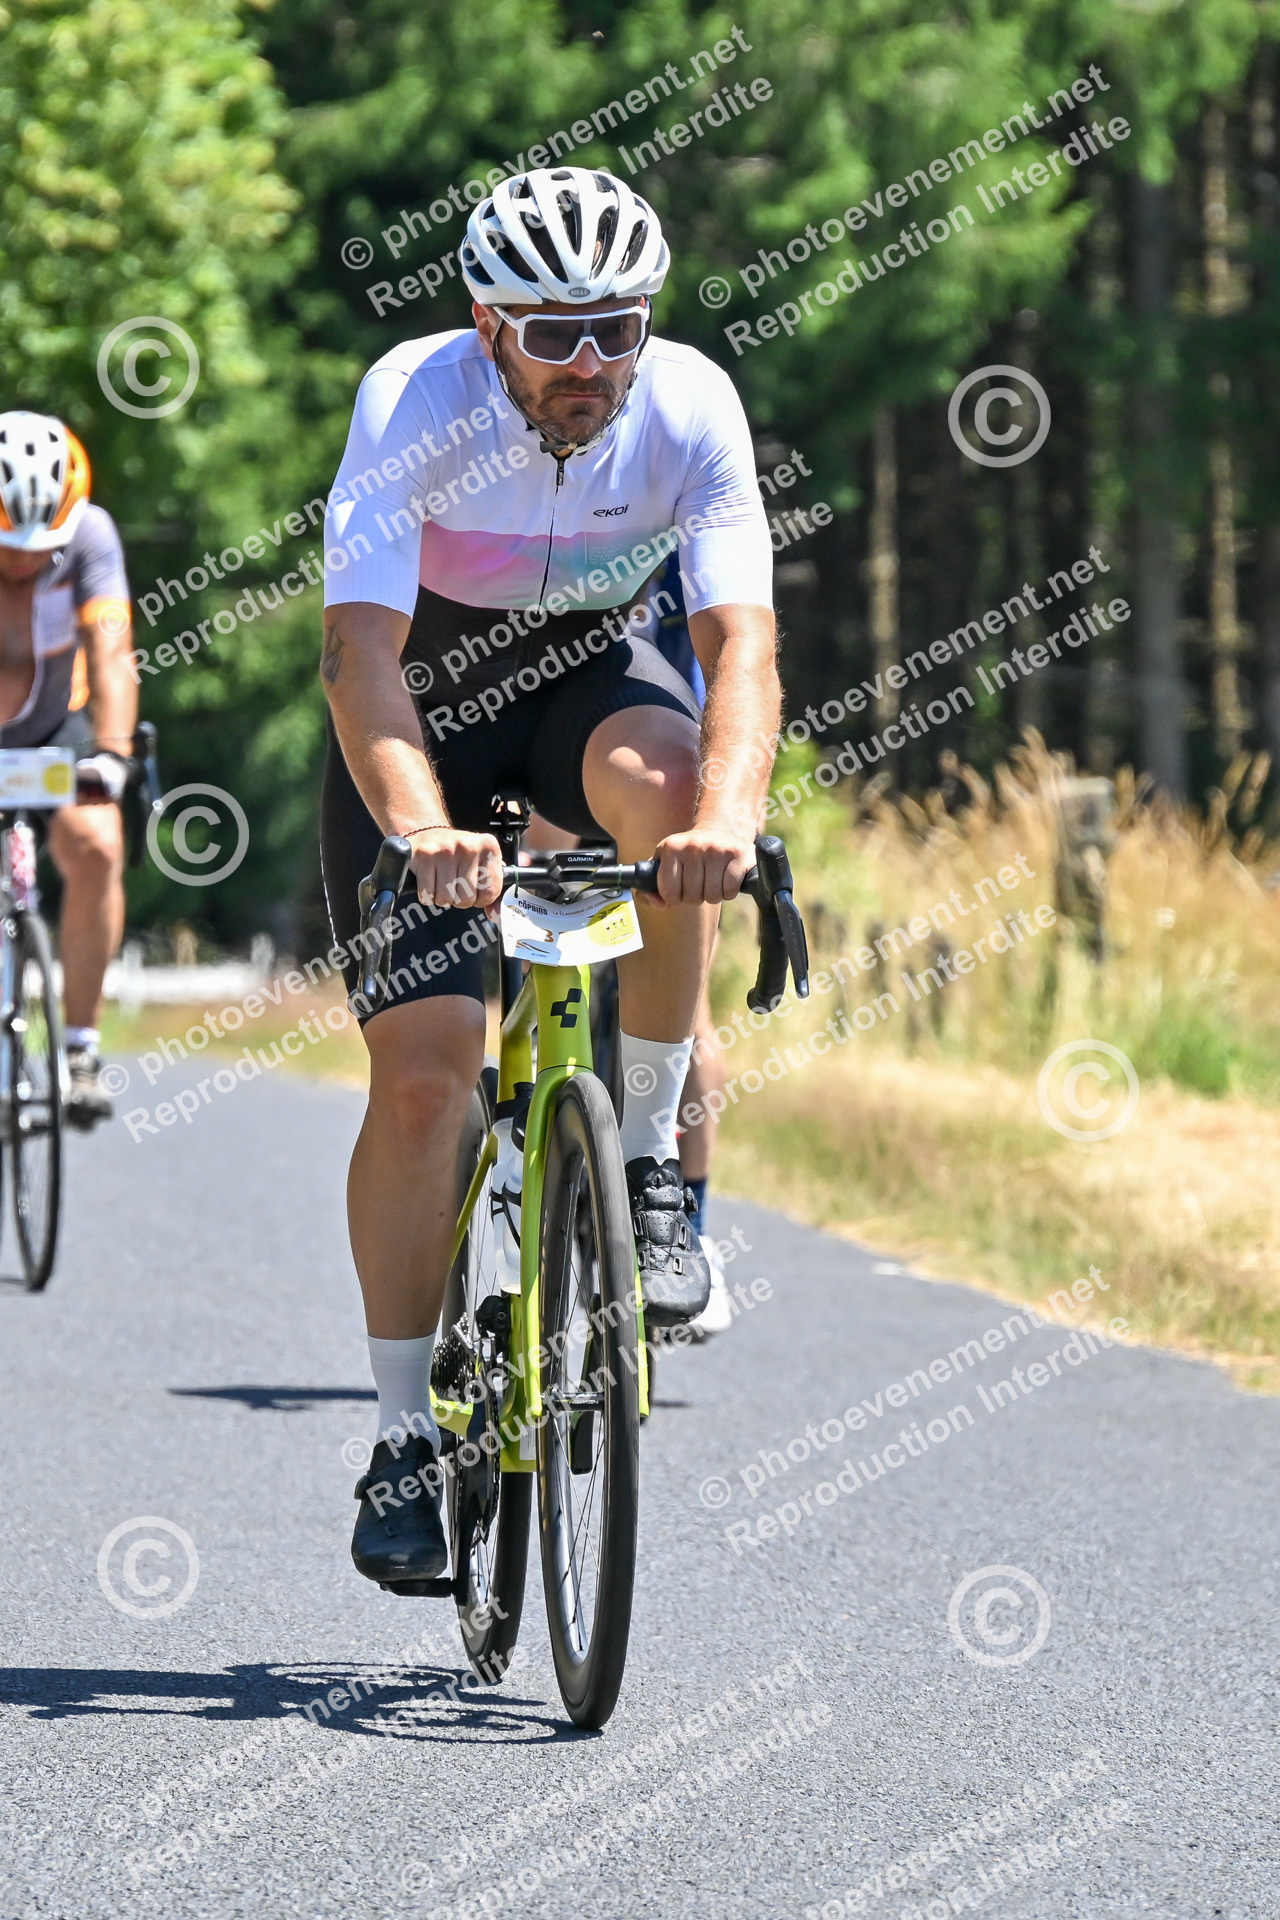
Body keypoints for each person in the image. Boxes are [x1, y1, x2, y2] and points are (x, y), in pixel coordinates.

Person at [320, 166, 778, 1584]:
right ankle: (402, 1436)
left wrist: (729, 821)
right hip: (427, 699)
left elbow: (740, 647)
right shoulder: (413, 399)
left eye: (615, 329)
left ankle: (645, 1165)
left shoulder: (691, 402)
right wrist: (420, 829)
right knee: (426, 1077)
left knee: (675, 804)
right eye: (554, 334)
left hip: (592, 678)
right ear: (487, 327)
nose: (589, 364)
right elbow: (359, 653)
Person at [0, 412, 138, 1125]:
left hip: (59, 725)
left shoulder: (90, 534)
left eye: (39, 545)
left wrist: (113, 754)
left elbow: (110, 649)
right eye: (9, 544)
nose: (25, 560)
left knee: (98, 844)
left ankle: (79, 1046)